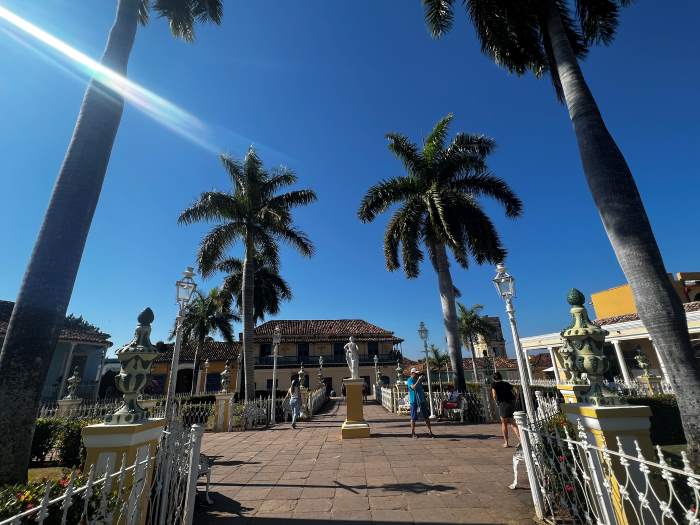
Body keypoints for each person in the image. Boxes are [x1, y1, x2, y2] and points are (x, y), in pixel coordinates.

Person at [491, 372, 519, 447]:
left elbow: (494, 395)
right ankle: (521, 441)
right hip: (512, 403)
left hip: (503, 404)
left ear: (494, 378)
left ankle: (506, 443)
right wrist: (516, 398)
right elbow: (516, 390)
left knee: (504, 423)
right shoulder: (506, 383)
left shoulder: (494, 385)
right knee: (513, 423)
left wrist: (497, 402)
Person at [406, 367, 435, 439]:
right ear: (412, 373)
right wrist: (419, 380)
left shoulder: (418, 379)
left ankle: (430, 431)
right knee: (413, 417)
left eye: (417, 374)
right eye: (416, 373)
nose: (417, 375)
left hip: (422, 400)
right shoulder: (410, 380)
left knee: (426, 417)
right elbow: (413, 387)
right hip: (414, 401)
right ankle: (413, 433)